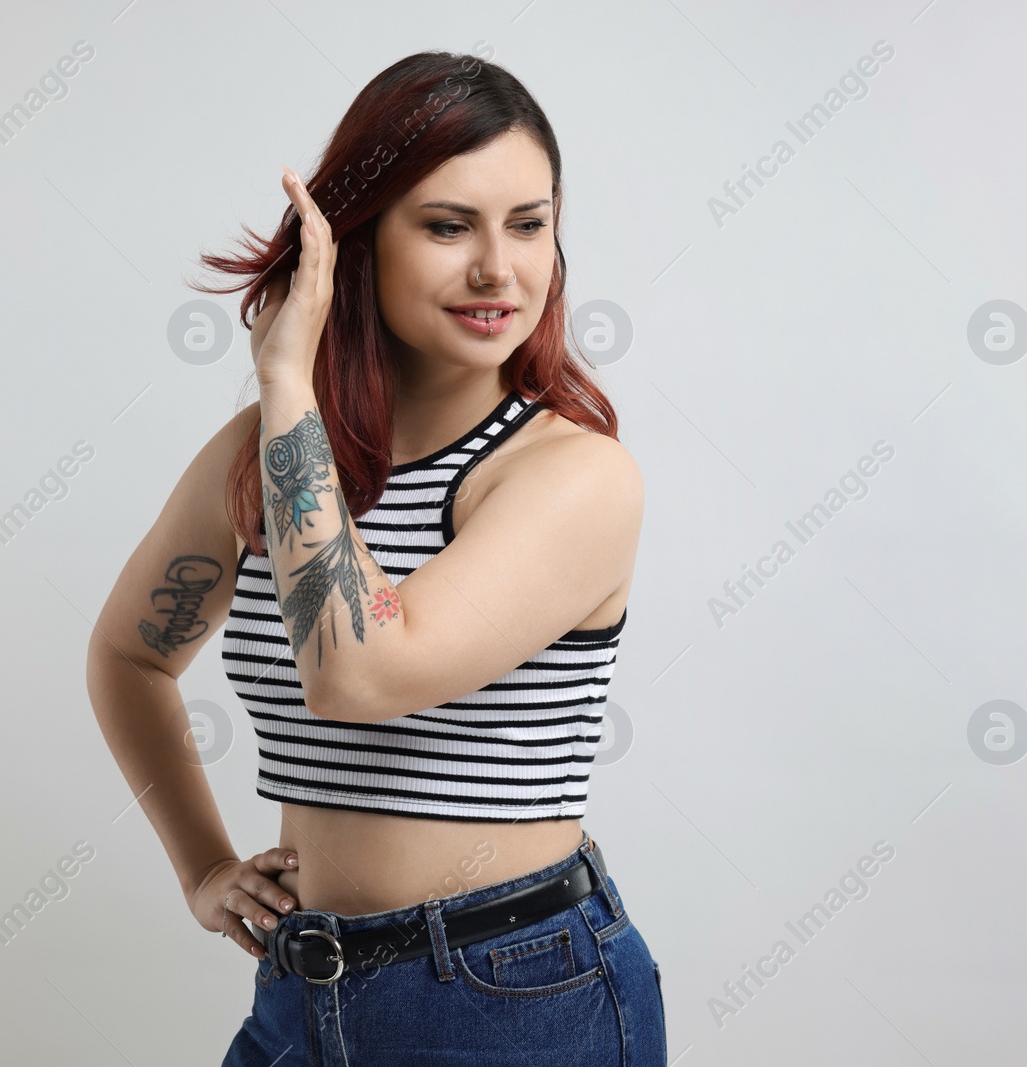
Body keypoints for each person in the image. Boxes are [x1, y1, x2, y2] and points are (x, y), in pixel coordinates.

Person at [85, 49, 664, 1064]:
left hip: (513, 995)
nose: (499, 268)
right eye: (448, 226)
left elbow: (355, 672)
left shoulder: (571, 476)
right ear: (354, 243)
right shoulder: (259, 456)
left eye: (529, 224)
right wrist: (204, 867)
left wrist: (287, 386)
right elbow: (130, 657)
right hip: (303, 991)